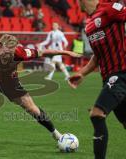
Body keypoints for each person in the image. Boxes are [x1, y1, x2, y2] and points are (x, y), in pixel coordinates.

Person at [68, 1, 126, 159]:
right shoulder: (88, 25)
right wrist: (81, 73)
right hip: (109, 78)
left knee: (97, 114)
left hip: (121, 74)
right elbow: (97, 56)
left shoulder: (109, 7)